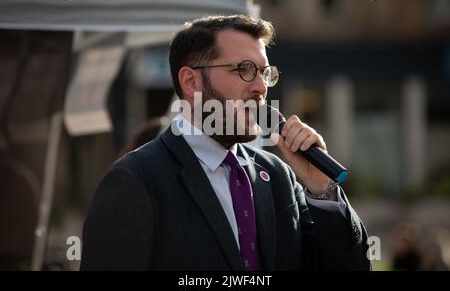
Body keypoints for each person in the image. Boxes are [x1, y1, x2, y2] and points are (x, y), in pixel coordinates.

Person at [80, 15, 370, 271]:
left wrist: (322, 189)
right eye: (244, 69)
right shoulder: (135, 180)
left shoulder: (279, 178)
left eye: (264, 73)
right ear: (191, 82)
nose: (260, 87)